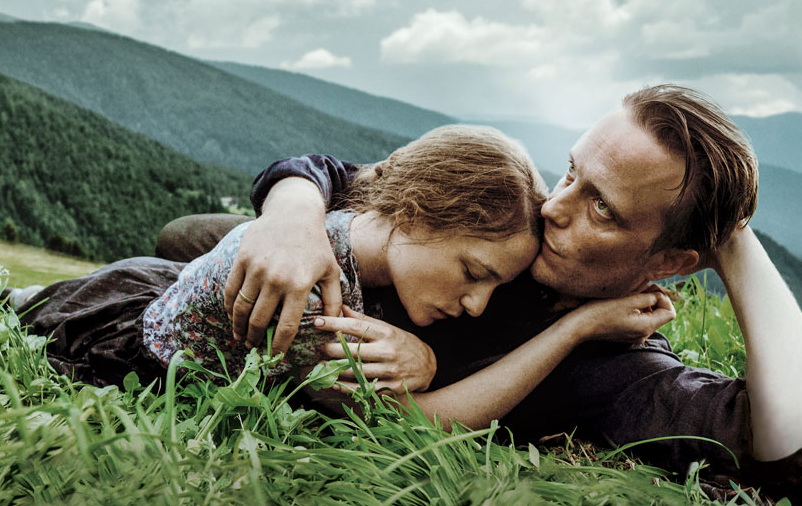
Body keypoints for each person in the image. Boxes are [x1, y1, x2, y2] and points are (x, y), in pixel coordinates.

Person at [157, 85, 802, 498]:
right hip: (319, 268)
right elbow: (335, 173)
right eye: (572, 171)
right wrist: (291, 220)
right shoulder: (520, 230)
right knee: (184, 236)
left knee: (160, 263)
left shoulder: (621, 366)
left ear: (671, 260)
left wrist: (735, 240)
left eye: (601, 209)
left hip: (301, 358)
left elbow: (787, 446)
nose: (555, 208)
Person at [16, 125, 673, 428]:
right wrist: (578, 328)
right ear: (416, 213)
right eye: (473, 273)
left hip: (150, 290)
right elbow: (416, 425)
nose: (476, 304)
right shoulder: (315, 298)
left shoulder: (360, 237)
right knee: (29, 313)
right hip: (112, 329)